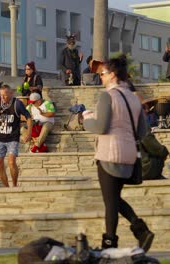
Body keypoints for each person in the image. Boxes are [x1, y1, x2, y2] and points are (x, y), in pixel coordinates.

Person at [83, 55, 154, 252]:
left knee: (110, 202)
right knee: (114, 198)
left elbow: (100, 126)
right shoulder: (133, 97)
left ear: (113, 75)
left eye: (103, 74)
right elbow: (142, 131)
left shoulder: (108, 96)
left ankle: (110, 243)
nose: (101, 78)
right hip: (129, 156)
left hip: (109, 155)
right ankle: (140, 231)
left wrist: (86, 118)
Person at [0, 85, 32, 187]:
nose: (3, 98)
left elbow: (28, 117)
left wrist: (29, 133)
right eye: (1, 95)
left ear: (11, 94)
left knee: (11, 162)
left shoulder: (17, 104)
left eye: (5, 95)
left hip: (12, 138)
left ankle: (14, 186)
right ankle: (6, 187)